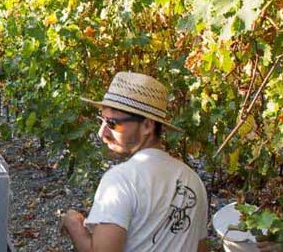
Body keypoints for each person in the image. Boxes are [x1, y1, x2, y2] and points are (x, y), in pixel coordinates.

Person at [60, 72, 209, 252]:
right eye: (101, 121)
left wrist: (73, 224)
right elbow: (200, 247)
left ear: (147, 125)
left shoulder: (120, 181)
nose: (102, 133)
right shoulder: (193, 180)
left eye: (112, 124)